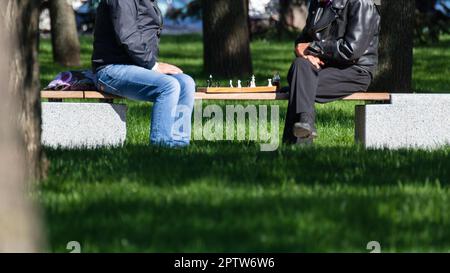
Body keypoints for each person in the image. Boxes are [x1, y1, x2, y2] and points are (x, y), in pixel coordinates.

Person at [92, 0, 196, 147]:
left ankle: (179, 144)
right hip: (110, 69)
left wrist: (150, 65)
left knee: (186, 83)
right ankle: (161, 145)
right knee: (169, 85)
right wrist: (153, 65)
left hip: (137, 66)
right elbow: (128, 36)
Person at [283, 0, 381, 144]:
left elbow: (351, 50)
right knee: (300, 65)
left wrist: (313, 48)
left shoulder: (361, 3)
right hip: (325, 66)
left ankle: (296, 145)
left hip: (355, 71)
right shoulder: (318, 4)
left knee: (299, 84)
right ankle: (306, 123)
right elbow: (303, 40)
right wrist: (306, 54)